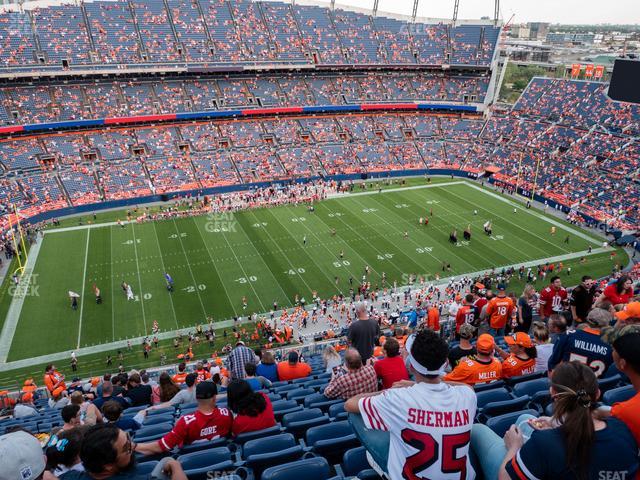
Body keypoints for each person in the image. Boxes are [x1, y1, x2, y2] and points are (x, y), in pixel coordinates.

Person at [471, 362, 639, 480]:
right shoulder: (622, 429)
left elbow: (505, 478)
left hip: (535, 456)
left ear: (553, 394)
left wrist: (514, 447)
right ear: (597, 394)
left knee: (478, 429)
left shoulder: (545, 443)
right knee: (526, 418)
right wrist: (555, 424)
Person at [345, 329, 477, 479]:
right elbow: (466, 387)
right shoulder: (467, 396)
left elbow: (349, 404)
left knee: (355, 417)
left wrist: (387, 392)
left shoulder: (396, 398)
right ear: (445, 363)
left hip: (409, 474)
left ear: (412, 367)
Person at [135, 382, 232, 455]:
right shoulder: (227, 414)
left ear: (197, 398)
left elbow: (160, 447)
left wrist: (134, 446)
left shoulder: (185, 422)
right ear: (215, 397)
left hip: (193, 465)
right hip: (221, 459)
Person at [61, 423, 187, 479]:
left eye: (129, 440)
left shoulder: (68, 476)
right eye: (127, 448)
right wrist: (175, 466)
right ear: (108, 466)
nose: (132, 448)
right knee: (168, 460)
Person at [548, 308, 614, 378]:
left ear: (587, 320)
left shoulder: (568, 335)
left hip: (566, 383)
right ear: (606, 325)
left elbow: (552, 364)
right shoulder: (610, 345)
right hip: (593, 386)